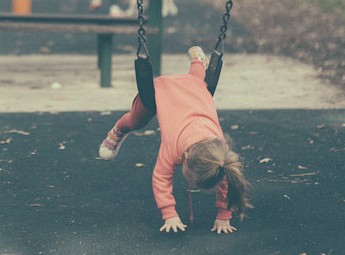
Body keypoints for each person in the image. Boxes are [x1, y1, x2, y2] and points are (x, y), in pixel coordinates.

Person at [98, 46, 251, 235]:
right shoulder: (173, 146)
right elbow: (161, 178)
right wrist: (169, 213)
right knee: (136, 120)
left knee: (194, 82)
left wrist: (224, 215)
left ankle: (198, 62)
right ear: (184, 156)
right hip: (161, 90)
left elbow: (227, 180)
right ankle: (117, 131)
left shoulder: (220, 152)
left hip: (192, 88)